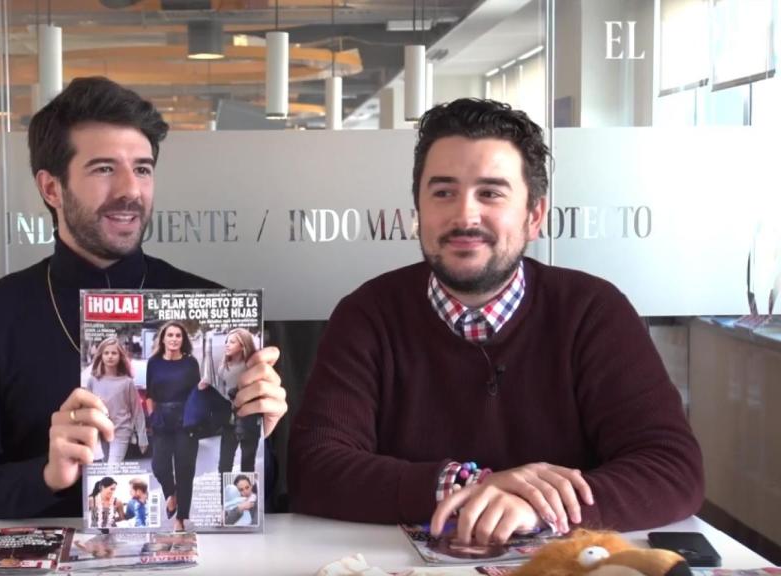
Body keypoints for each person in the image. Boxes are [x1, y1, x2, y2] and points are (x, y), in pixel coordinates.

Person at [288, 98, 703, 544]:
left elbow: (671, 467)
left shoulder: (592, 311)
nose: (465, 216)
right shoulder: (367, 314)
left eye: (491, 193)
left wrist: (532, 506)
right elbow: (315, 467)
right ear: (419, 211)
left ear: (534, 216)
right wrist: (471, 485)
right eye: (443, 192)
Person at [0, 76, 288, 519]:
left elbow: (264, 501)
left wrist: (257, 435)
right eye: (104, 169)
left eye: (142, 168)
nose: (130, 191)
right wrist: (47, 474)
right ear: (51, 188)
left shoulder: (211, 306)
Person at [145, 321, 201, 532]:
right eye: (170, 335)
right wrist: (152, 416)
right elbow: (150, 394)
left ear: (183, 340)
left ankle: (181, 518)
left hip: (186, 420)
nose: (174, 339)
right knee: (159, 466)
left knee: (185, 469)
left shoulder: (190, 363)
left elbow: (197, 395)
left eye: (178, 335)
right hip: (161, 419)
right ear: (163, 338)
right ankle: (171, 494)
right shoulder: (154, 363)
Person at [206, 328, 261, 473]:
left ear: (243, 345)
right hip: (229, 422)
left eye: (232, 342)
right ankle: (226, 495)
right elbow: (221, 392)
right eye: (226, 342)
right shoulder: (223, 367)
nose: (227, 345)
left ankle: (247, 495)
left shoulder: (252, 366)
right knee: (224, 467)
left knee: (247, 466)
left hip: (249, 420)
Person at [87, 336, 147, 463]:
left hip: (121, 432)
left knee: (112, 468)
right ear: (101, 356)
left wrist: (142, 437)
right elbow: (87, 408)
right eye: (106, 353)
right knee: (106, 472)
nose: (110, 356)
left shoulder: (127, 382)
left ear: (120, 356)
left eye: (114, 353)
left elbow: (137, 411)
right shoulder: (93, 380)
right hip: (101, 432)